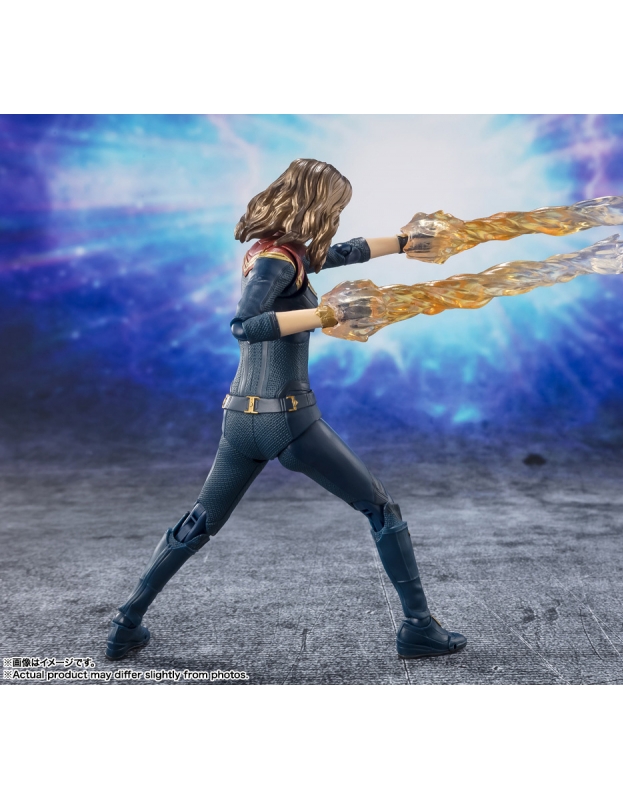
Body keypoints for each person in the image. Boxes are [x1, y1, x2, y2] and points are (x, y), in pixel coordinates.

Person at [106, 158, 467, 662]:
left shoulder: (275, 252)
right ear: (317, 204)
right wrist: (327, 314)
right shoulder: (278, 262)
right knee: (381, 509)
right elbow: (244, 325)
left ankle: (126, 623)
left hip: (241, 418)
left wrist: (406, 242)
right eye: (336, 205)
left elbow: (341, 252)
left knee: (200, 521)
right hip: (288, 419)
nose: (337, 216)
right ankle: (419, 628)